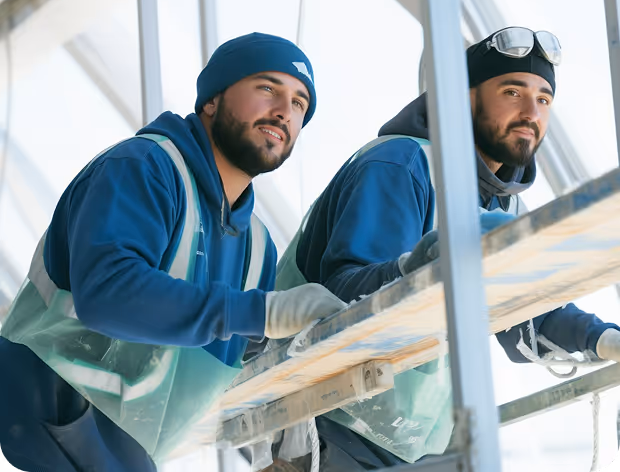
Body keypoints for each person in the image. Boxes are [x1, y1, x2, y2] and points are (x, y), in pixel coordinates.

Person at [271, 27, 620, 471]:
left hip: (416, 433)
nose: (531, 111)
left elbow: (523, 313)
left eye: (544, 99)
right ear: (465, 98)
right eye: (512, 92)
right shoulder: (401, 164)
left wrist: (603, 340)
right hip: (332, 417)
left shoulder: (500, 203)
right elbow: (341, 295)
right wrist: (418, 269)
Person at [0, 32, 346, 472]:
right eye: (267, 88)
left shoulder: (258, 248)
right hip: (27, 430)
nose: (284, 110)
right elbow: (108, 293)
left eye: (299, 104)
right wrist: (264, 313)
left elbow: (210, 368)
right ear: (211, 101)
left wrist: (281, 405)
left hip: (121, 458)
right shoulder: (144, 168)